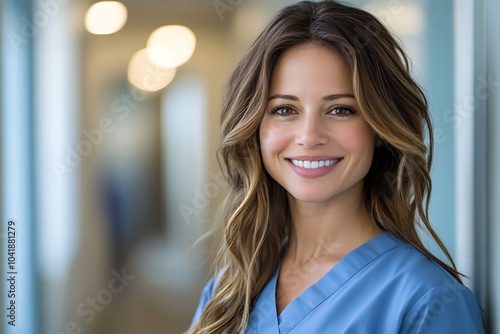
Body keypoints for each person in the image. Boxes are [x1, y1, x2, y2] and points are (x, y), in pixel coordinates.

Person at [187, 1, 485, 333]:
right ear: (255, 127)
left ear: (379, 128)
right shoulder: (228, 290)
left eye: (341, 110)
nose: (309, 136)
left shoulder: (426, 301)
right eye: (285, 109)